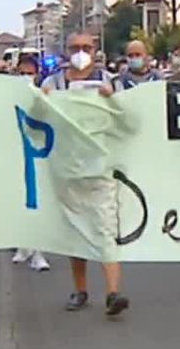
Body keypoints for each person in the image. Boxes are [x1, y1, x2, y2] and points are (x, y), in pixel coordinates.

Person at [40, 33, 130, 317]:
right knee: (76, 230)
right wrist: (41, 102)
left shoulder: (110, 81)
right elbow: (36, 119)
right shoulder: (52, 83)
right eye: (75, 48)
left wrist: (113, 100)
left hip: (101, 167)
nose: (81, 52)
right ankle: (80, 290)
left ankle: (113, 292)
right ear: (66, 51)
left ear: (95, 50)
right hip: (66, 167)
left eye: (86, 48)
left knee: (105, 228)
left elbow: (128, 118)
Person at [10, 54, 52, 272]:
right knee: (20, 200)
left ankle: (38, 253)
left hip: (40, 154)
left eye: (30, 73)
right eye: (22, 73)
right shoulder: (8, 95)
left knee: (39, 202)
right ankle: (23, 245)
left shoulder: (44, 94)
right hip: (16, 153)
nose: (26, 77)